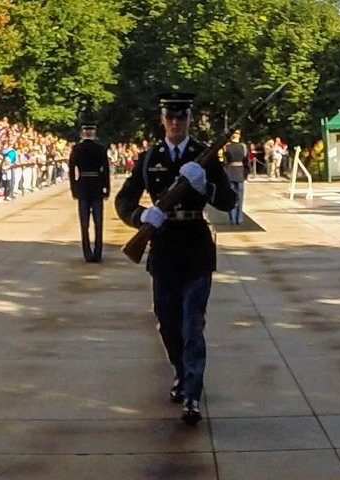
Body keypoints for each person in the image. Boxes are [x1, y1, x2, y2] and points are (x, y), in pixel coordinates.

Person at [114, 92, 236, 425]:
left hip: (195, 248)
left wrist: (204, 188)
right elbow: (123, 201)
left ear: (189, 120)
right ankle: (182, 373)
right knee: (168, 323)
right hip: (165, 249)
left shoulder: (203, 155)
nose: (176, 123)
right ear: (162, 119)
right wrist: (142, 217)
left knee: (192, 324)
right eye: (171, 118)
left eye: (181, 118)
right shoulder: (150, 156)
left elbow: (228, 200)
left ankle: (193, 396)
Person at [68, 119, 110, 263]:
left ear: (83, 132)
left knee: (84, 223)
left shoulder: (77, 148)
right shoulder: (100, 148)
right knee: (98, 223)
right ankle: (97, 254)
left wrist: (74, 188)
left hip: (83, 186)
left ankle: (87, 253)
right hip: (97, 185)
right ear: (94, 132)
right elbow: (106, 170)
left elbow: (72, 170)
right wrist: (107, 188)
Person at [224, 129, 250, 225]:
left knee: (231, 196)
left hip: (230, 172)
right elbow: (246, 162)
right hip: (240, 172)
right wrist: (246, 173)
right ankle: (238, 219)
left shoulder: (227, 147)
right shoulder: (243, 147)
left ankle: (232, 218)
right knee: (240, 197)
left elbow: (225, 162)